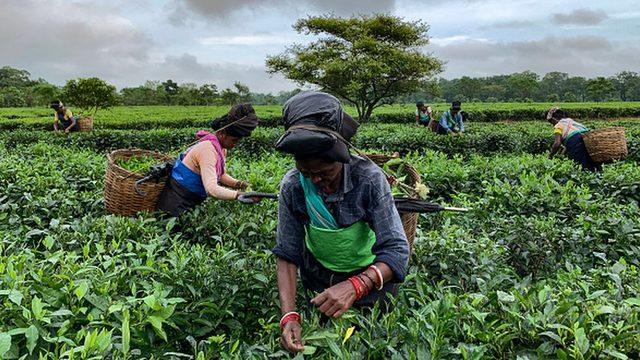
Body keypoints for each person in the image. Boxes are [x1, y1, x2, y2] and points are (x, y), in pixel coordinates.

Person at [272, 91, 410, 353]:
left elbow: (396, 250)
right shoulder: (292, 186)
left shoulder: (368, 179)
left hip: (372, 283)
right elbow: (287, 253)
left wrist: (357, 285)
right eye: (306, 172)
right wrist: (289, 316)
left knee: (370, 345)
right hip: (321, 284)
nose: (315, 181)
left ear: (342, 158)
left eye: (324, 172)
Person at [156, 104, 259, 217]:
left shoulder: (221, 149)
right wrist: (239, 194)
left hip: (192, 200)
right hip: (175, 202)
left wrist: (240, 184)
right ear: (222, 133)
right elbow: (211, 189)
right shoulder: (207, 149)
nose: (235, 144)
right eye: (234, 140)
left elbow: (221, 175)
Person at [546, 107, 601, 172]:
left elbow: (557, 144)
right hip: (588, 136)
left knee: (580, 165)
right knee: (591, 159)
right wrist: (561, 156)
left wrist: (550, 156)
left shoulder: (558, 126)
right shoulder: (571, 121)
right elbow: (567, 146)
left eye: (551, 122)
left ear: (554, 119)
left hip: (575, 140)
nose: (552, 124)